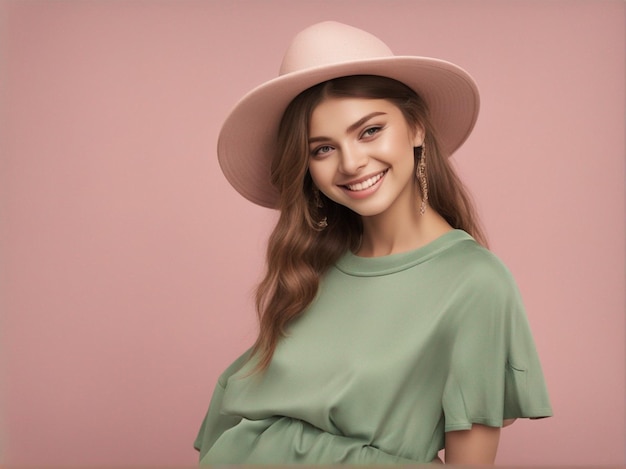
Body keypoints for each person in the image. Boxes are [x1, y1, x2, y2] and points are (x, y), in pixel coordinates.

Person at [194, 21, 552, 465]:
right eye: (322, 149)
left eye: (369, 131)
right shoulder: (311, 270)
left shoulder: (475, 285)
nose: (351, 163)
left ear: (416, 127)